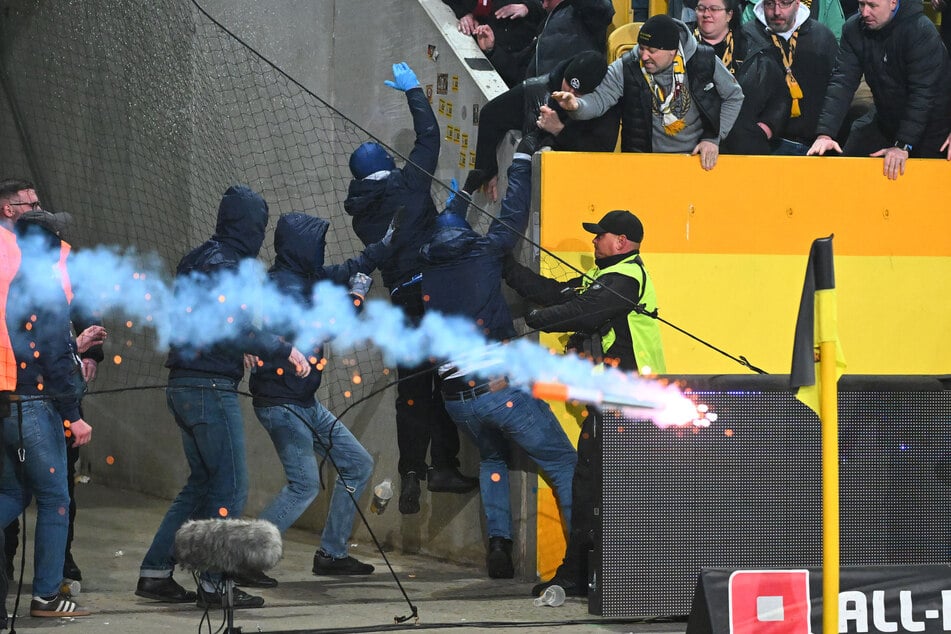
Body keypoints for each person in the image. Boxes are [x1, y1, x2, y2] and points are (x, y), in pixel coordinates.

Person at [136, 185, 310, 610]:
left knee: (200, 486)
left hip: (186, 383)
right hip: (209, 388)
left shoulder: (198, 257)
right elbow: (227, 325)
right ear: (250, 225)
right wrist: (282, 347)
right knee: (231, 489)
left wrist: (240, 341)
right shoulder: (228, 266)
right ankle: (215, 585)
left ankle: (156, 573)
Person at [419, 135, 577, 579]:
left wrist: (462, 198)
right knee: (565, 464)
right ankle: (583, 562)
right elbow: (513, 213)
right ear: (468, 238)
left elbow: (447, 225)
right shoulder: (485, 254)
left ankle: (500, 544)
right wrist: (523, 156)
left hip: (455, 402)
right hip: (498, 393)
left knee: (492, 461)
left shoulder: (429, 266)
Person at [503, 208, 666, 597]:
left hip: (632, 406)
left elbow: (583, 311)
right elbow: (553, 292)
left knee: (608, 489)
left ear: (621, 242)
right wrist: (505, 267)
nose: (594, 240)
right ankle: (583, 573)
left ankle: (603, 576)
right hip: (612, 402)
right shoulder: (604, 277)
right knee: (590, 485)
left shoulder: (627, 278)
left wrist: (537, 319)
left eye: (599, 235)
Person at [345, 62, 478, 516]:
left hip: (401, 302)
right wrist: (415, 92)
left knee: (414, 390)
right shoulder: (409, 184)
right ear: (386, 165)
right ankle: (444, 465)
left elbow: (404, 232)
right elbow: (429, 139)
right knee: (449, 381)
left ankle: (410, 474)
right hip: (435, 294)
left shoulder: (362, 215)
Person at [249, 212, 396, 579]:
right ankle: (244, 559)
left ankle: (331, 554)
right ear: (301, 248)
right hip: (281, 404)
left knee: (357, 465)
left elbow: (350, 266)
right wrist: (356, 298)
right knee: (304, 486)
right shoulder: (285, 289)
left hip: (302, 402)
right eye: (316, 245)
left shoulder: (303, 275)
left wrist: (383, 247)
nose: (321, 251)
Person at [0, 179, 92, 617]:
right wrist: (74, 416)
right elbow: (54, 360)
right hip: (36, 407)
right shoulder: (44, 287)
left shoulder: (17, 283)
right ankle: (46, 596)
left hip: (10, 403)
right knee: (56, 498)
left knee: (14, 494)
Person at [552, 14, 745, 170]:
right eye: (642, 47)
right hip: (644, 164)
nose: (644, 56)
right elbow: (600, 99)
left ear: (672, 51)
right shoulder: (628, 65)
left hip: (695, 162)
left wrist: (713, 139)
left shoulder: (703, 60)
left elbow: (734, 95)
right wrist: (576, 105)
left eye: (652, 50)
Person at [807, 0, 951, 179]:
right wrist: (825, 134)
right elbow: (842, 82)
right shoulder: (854, 28)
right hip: (887, 118)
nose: (865, 12)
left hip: (933, 125)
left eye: (872, 6)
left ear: (892, 3)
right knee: (851, 158)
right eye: (861, 4)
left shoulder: (920, 30)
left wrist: (903, 145)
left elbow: (923, 94)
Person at [473, 50, 621, 201]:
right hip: (529, 186)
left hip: (575, 192)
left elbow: (599, 156)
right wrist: (487, 170)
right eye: (568, 84)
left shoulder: (604, 111)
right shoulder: (538, 89)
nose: (569, 93)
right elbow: (490, 115)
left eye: (578, 92)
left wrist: (559, 130)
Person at [743, 0, 839, 155]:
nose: (777, 12)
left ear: (798, 3)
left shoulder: (823, 37)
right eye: (769, 4)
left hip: (813, 146)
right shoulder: (746, 36)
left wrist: (825, 133)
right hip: (761, 146)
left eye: (785, 4)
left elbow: (837, 90)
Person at [694, 0, 790, 154]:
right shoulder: (681, 48)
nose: (706, 14)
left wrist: (763, 130)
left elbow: (780, 98)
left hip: (744, 149)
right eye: (701, 8)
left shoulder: (754, 50)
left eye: (714, 9)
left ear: (729, 15)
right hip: (691, 148)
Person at [474, 0, 615, 87]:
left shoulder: (587, 19)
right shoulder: (544, 28)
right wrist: (492, 50)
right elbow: (518, 70)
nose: (544, 4)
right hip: (535, 102)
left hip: (567, 106)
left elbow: (603, 8)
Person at [444, 0, 546, 87]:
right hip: (482, 45)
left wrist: (528, 7)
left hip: (519, 54)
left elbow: (551, 9)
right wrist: (464, 13)